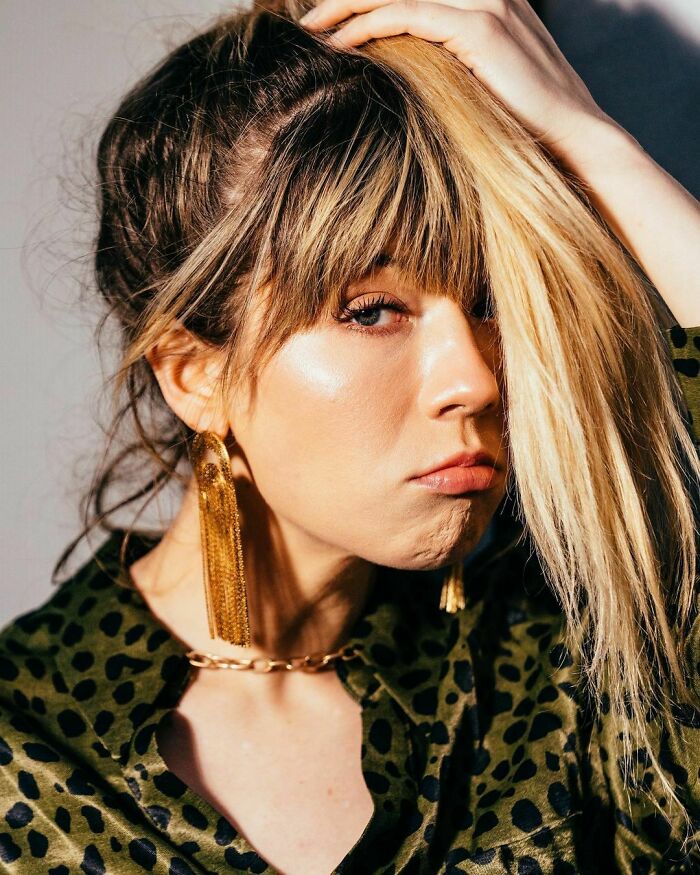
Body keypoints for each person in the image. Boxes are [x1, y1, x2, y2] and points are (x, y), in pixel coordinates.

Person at [1, 0, 699, 872]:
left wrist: (592, 142)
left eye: (490, 301)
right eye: (372, 311)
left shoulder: (566, 672)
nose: (476, 377)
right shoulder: (28, 754)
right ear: (196, 375)